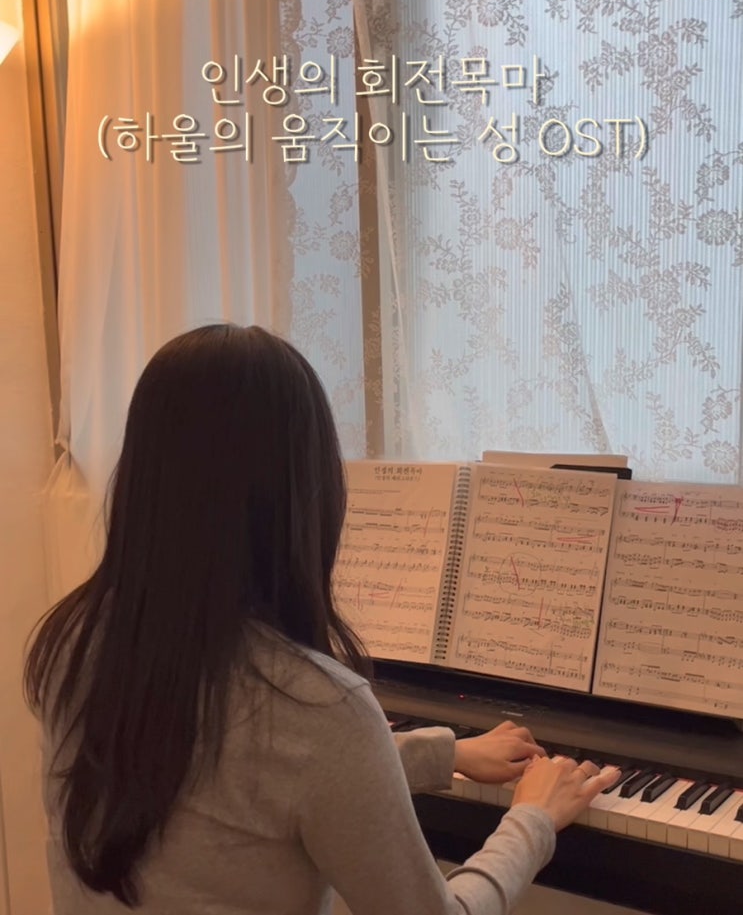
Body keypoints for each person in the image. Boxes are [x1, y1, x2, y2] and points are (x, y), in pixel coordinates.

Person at [25, 324, 619, 915]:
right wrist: (533, 819)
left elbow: (241, 773)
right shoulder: (316, 704)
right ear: (301, 491)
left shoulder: (74, 642)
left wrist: (444, 754)